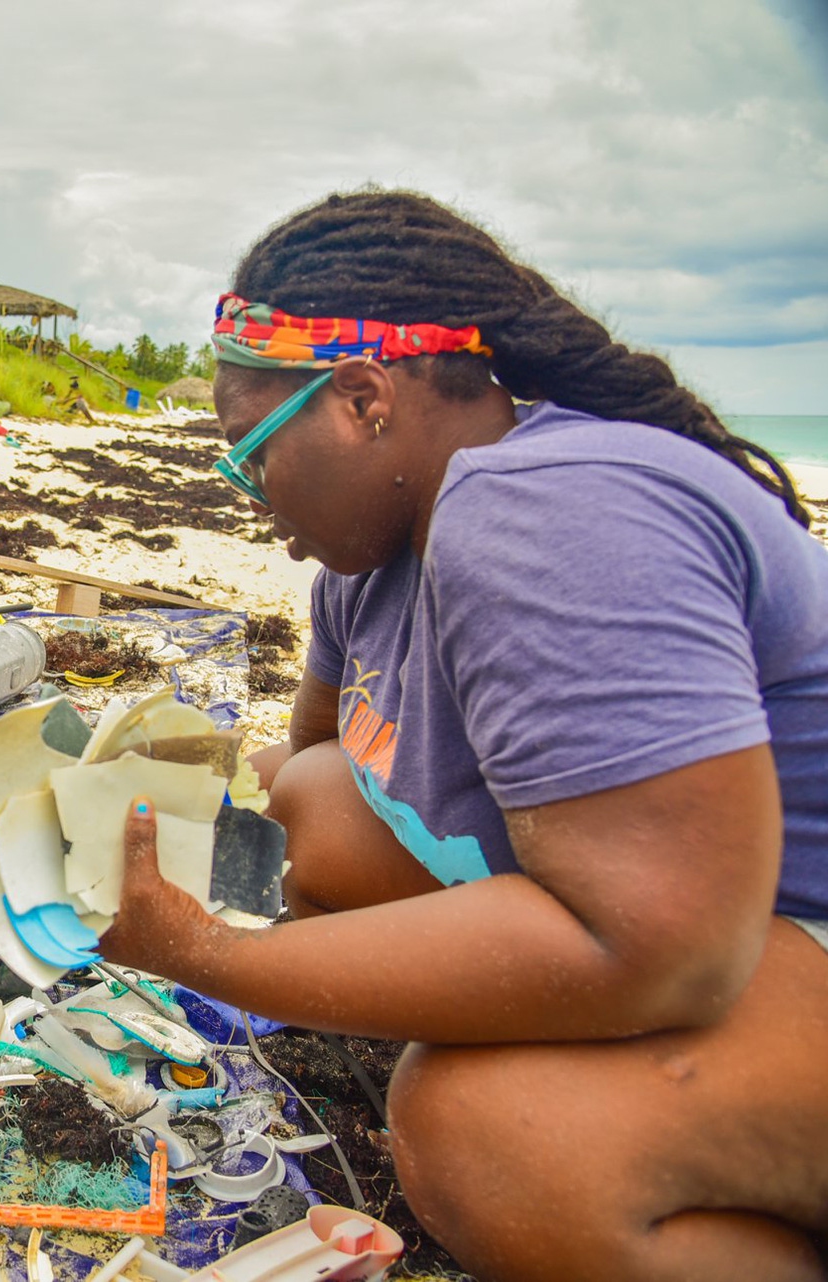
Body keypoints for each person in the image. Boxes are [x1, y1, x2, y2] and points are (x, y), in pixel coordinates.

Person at [100, 191, 828, 1282]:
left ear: (361, 400)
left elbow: (659, 952)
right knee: (312, 802)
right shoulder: (375, 556)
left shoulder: (546, 509)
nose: (250, 495)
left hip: (757, 942)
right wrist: (128, 800)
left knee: (485, 1131)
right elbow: (293, 778)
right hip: (708, 937)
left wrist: (216, 959)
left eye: (249, 455)